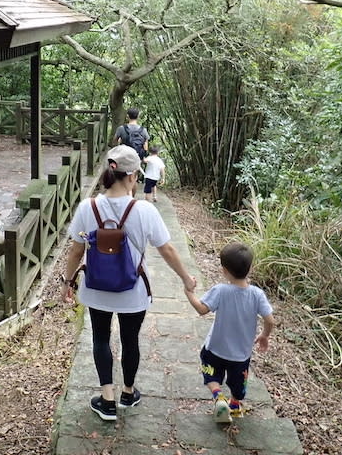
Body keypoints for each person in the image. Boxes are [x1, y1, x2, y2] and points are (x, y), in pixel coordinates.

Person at [63, 145, 196, 421]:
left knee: (100, 338)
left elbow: (76, 250)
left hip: (97, 288)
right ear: (134, 176)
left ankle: (107, 400)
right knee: (130, 339)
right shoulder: (144, 210)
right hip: (133, 290)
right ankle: (127, 392)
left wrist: (68, 281)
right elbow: (167, 249)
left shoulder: (88, 207)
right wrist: (186, 278)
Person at [184, 242, 274, 422]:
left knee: (211, 373)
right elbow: (270, 319)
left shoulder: (221, 290)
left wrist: (189, 293)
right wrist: (264, 335)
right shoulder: (257, 294)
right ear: (250, 269)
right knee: (238, 383)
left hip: (216, 348)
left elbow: (202, 310)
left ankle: (218, 396)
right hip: (241, 354)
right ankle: (234, 405)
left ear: (224, 270)